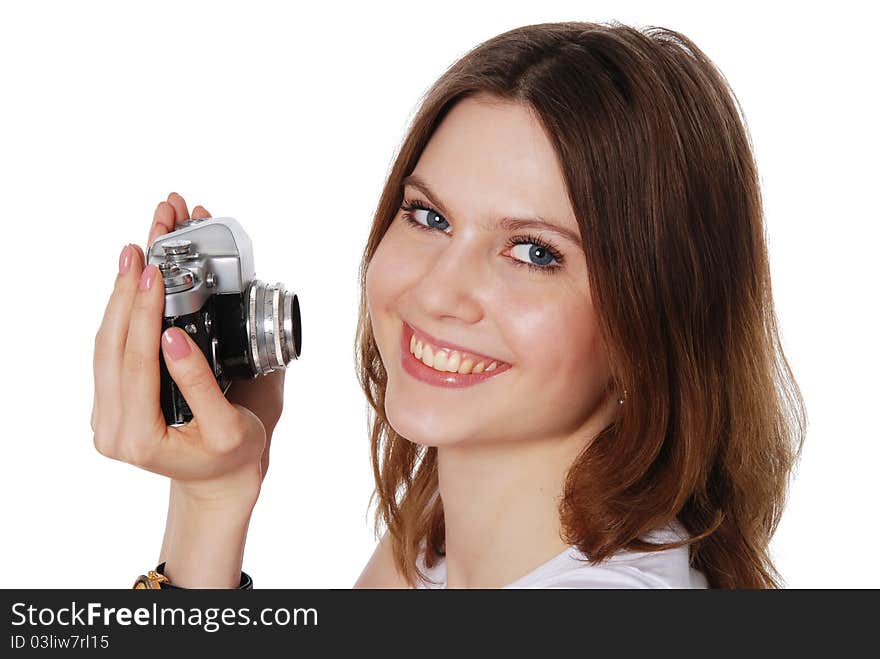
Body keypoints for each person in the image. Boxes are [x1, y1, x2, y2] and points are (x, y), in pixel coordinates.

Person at [92, 21, 806, 589]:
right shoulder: (436, 540)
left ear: (654, 320)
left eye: (533, 251)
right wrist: (211, 493)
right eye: (429, 217)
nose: (435, 291)